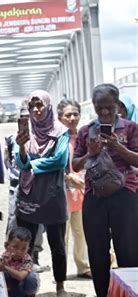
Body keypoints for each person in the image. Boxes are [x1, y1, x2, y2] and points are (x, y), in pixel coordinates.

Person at [72, 84, 138, 297]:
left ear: (118, 106)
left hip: (125, 196)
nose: (105, 114)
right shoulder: (85, 131)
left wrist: (119, 148)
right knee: (97, 249)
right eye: (100, 109)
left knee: (128, 248)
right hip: (94, 196)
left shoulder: (131, 129)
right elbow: (75, 165)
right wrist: (91, 153)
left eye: (109, 108)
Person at [15, 90, 70, 297]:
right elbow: (18, 163)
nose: (36, 110)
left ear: (48, 106)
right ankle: (27, 289)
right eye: (32, 106)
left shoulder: (61, 131)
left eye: (40, 105)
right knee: (24, 245)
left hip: (53, 195)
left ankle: (60, 286)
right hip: (29, 196)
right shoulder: (24, 133)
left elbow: (59, 161)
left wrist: (31, 164)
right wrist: (21, 147)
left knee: (57, 244)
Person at [57, 99, 91, 279]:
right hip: (62, 191)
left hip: (84, 190)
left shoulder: (85, 136)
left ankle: (83, 266)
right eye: (67, 115)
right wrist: (67, 178)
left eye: (75, 114)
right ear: (60, 117)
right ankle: (61, 272)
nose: (72, 118)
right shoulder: (56, 139)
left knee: (82, 231)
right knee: (63, 234)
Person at [0, 227, 45, 297]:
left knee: (31, 277)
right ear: (7, 246)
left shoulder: (27, 259)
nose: (19, 251)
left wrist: (6, 267)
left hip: (23, 291)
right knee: (2, 275)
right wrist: (3, 264)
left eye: (23, 249)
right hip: (10, 291)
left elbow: (20, 276)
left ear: (28, 249)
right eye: (15, 247)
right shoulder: (3, 257)